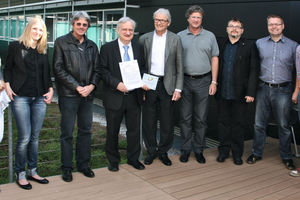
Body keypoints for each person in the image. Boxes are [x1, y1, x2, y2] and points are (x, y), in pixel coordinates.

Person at [4, 17, 53, 190]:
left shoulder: (43, 49)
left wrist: (50, 89)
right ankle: (20, 173)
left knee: (34, 137)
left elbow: (46, 72)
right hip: (21, 97)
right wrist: (8, 87)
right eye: (35, 29)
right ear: (28, 29)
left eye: (41, 30)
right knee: (24, 137)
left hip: (39, 98)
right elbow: (7, 68)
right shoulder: (15, 46)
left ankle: (33, 170)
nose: (37, 33)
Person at [53, 11, 101, 182]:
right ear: (73, 24)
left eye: (85, 24)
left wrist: (91, 86)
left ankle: (83, 164)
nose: (81, 27)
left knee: (85, 131)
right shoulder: (61, 42)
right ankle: (66, 168)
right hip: (68, 95)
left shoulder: (92, 46)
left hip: (87, 96)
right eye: (78, 24)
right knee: (67, 132)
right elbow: (58, 69)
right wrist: (77, 87)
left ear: (88, 26)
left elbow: (98, 70)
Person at [246, 14, 298, 170]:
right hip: (262, 88)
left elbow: (299, 71)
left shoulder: (293, 45)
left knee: (283, 125)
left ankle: (287, 156)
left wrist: (296, 92)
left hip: (283, 90)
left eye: (277, 24)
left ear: (283, 26)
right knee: (259, 124)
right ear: (267, 26)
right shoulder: (259, 43)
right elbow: (253, 68)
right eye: (271, 24)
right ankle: (256, 153)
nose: (273, 27)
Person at [100, 17, 147, 171]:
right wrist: (116, 83)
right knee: (112, 131)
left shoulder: (139, 47)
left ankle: (133, 159)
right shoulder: (107, 48)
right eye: (124, 29)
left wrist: (146, 83)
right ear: (118, 31)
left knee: (134, 131)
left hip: (134, 96)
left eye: (130, 30)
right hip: (115, 96)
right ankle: (113, 161)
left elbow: (144, 68)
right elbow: (102, 70)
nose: (128, 32)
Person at [139, 8, 183, 166]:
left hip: (168, 84)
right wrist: (141, 86)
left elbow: (179, 65)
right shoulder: (144, 38)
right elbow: (141, 64)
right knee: (149, 120)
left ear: (168, 22)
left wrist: (178, 88)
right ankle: (151, 151)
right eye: (157, 19)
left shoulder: (175, 39)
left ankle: (163, 151)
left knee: (167, 120)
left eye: (162, 20)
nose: (159, 22)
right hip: (149, 82)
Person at [215, 17, 260, 165]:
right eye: (231, 26)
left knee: (238, 124)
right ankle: (223, 152)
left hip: (240, 93)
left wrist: (251, 92)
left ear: (242, 30)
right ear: (227, 29)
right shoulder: (220, 43)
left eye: (237, 27)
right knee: (223, 123)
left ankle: (237, 154)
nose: (234, 29)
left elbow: (254, 70)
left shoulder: (249, 45)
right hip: (222, 91)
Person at [177, 5, 218, 163]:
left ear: (202, 19)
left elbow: (215, 58)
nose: (196, 20)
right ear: (188, 18)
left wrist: (214, 81)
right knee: (185, 118)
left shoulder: (210, 36)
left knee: (201, 118)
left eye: (199, 17)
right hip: (185, 81)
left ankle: (199, 150)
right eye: (193, 17)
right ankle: (186, 150)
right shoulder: (179, 36)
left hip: (204, 81)